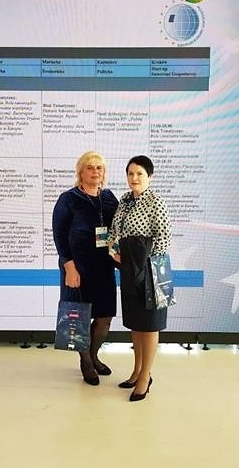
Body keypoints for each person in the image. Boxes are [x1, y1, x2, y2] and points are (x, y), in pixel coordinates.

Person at [108, 155, 172, 402]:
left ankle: (146, 376)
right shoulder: (124, 200)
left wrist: (142, 261)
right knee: (136, 323)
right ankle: (136, 371)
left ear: (149, 176)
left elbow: (164, 239)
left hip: (151, 269)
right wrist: (113, 250)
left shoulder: (156, 202)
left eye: (139, 174)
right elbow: (115, 231)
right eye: (130, 173)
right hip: (129, 269)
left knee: (150, 323)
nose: (134, 178)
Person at [52, 151, 119, 386]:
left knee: (104, 318)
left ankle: (93, 355)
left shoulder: (109, 198)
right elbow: (59, 235)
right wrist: (69, 266)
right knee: (79, 317)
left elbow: (117, 230)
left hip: (103, 268)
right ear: (81, 172)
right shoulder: (68, 199)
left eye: (99, 168)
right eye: (90, 167)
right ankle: (86, 362)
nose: (95, 172)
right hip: (77, 268)